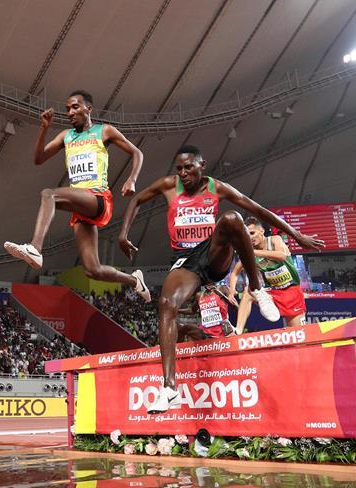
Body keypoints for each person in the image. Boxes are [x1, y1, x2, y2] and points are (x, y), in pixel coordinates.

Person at [118, 145, 324, 413]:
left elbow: (258, 209)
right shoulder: (169, 185)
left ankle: (257, 288)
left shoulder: (217, 187)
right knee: (166, 304)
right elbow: (135, 201)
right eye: (178, 168)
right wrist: (123, 235)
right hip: (185, 260)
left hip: (214, 254)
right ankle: (169, 389)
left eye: (188, 167)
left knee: (231, 218)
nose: (182, 173)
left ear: (202, 166)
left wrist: (295, 235)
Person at [3, 91, 150, 301]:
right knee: (93, 270)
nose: (70, 112)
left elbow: (137, 153)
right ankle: (135, 281)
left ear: (88, 109)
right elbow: (38, 159)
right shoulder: (66, 136)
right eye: (67, 109)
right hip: (81, 207)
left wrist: (132, 179)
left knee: (49, 194)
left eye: (75, 107)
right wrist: (44, 129)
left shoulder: (104, 131)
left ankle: (35, 248)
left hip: (97, 198)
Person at [229, 217, 307, 333]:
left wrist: (252, 252)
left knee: (298, 334)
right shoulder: (250, 253)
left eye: (252, 233)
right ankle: (238, 330)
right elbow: (235, 272)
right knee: (248, 291)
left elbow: (281, 256)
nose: (250, 237)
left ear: (262, 231)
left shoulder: (275, 240)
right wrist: (231, 291)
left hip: (291, 292)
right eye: (247, 235)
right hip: (271, 293)